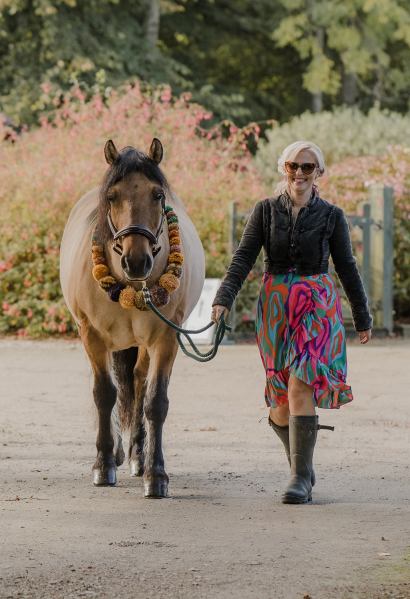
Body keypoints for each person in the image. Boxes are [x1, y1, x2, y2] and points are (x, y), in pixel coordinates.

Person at [211, 140, 372, 504]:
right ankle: (303, 464)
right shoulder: (265, 211)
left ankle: (299, 479)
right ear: (283, 169)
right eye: (293, 166)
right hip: (276, 310)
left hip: (316, 306)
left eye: (307, 167)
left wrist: (362, 316)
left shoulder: (332, 216)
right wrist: (223, 298)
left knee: (301, 384)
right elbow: (242, 258)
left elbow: (347, 267)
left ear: (319, 173)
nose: (299, 173)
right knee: (280, 401)